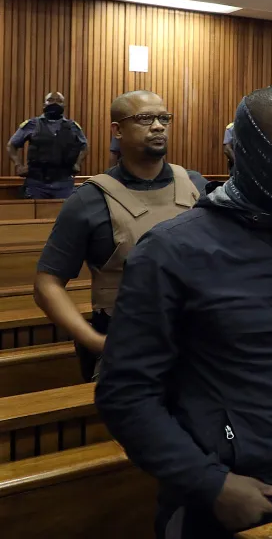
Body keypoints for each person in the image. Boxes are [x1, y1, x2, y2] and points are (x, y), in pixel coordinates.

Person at [95, 85, 272, 538]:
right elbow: (125, 394)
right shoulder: (172, 250)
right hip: (224, 496)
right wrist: (210, 483)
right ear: (247, 152)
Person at [33, 91, 206, 382]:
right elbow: (47, 284)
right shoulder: (89, 199)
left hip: (197, 340)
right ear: (117, 130)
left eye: (164, 118)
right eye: (144, 118)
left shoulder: (195, 185)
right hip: (126, 343)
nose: (158, 126)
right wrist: (93, 341)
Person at [7, 92, 88, 199]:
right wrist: (18, 165)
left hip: (63, 183)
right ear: (44, 105)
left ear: (64, 106)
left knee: (65, 214)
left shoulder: (72, 126)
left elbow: (85, 146)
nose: (54, 103)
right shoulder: (32, 124)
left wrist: (77, 163)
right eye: (50, 100)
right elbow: (11, 145)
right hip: (36, 183)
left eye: (59, 101)